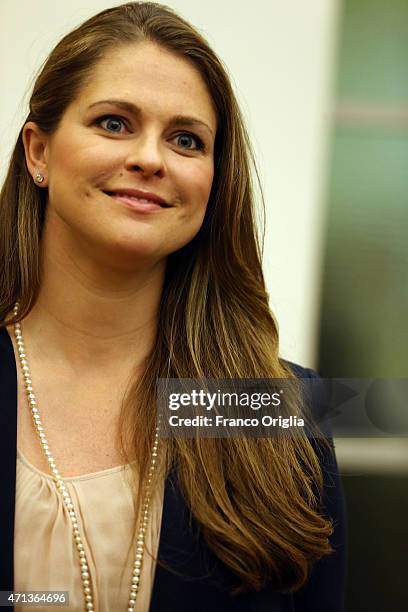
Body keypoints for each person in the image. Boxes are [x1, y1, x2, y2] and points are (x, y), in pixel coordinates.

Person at [0, 2, 346, 611]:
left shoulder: (266, 408)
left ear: (213, 180)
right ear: (39, 152)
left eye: (186, 140)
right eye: (113, 123)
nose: (151, 159)